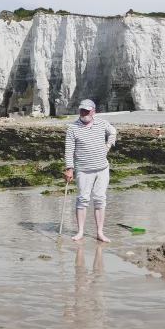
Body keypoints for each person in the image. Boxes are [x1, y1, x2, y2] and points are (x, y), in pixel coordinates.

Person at [64, 99, 117, 242]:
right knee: (82, 199)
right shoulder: (73, 128)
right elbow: (69, 150)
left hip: (102, 169)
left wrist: (108, 145)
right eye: (82, 110)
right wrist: (69, 169)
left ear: (94, 111)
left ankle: (100, 232)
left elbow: (113, 132)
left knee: (100, 199)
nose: (84, 113)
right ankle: (80, 232)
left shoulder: (102, 123)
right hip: (83, 170)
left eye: (87, 111)